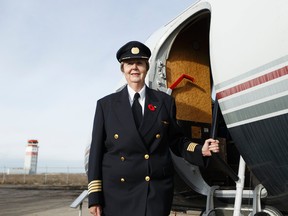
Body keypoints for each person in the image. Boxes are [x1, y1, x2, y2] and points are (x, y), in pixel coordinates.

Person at [88, 41, 219, 216]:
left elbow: (176, 141)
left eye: (140, 63)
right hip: (117, 194)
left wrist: (199, 149)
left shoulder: (164, 102)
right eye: (129, 64)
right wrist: (95, 197)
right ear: (123, 69)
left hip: (154, 192)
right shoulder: (106, 105)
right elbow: (96, 153)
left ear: (146, 67)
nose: (134, 68)